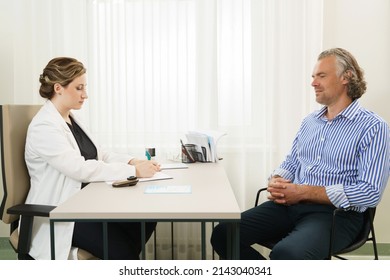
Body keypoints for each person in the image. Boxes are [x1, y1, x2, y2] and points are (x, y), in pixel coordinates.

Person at [211, 48, 390, 260]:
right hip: (290, 207)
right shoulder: (310, 122)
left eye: (321, 76)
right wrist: (277, 180)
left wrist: (304, 192)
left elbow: (369, 192)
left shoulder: (373, 127)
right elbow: (292, 163)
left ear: (346, 77)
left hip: (337, 215)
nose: (313, 83)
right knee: (224, 234)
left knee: (287, 254)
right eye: (313, 77)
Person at [25, 57, 161, 260]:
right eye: (79, 88)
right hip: (63, 210)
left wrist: (133, 161)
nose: (85, 95)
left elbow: (101, 154)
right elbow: (78, 168)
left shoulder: (72, 118)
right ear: (58, 88)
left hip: (88, 202)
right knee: (122, 251)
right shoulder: (44, 127)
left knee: (146, 219)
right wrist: (134, 172)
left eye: (85, 87)